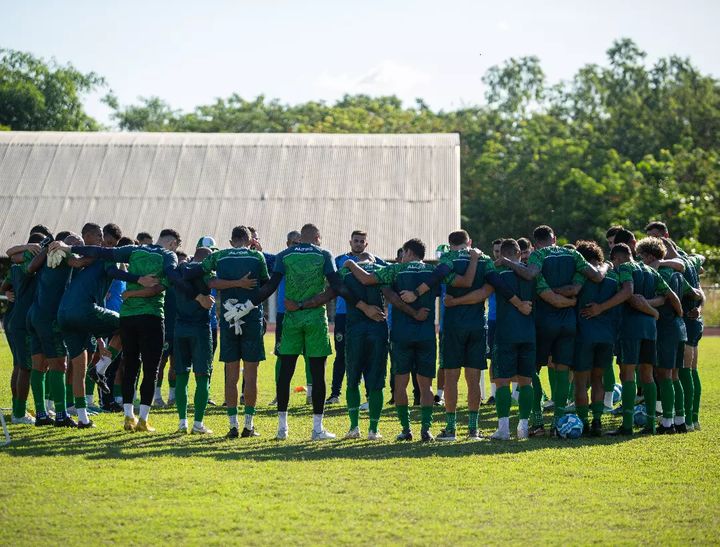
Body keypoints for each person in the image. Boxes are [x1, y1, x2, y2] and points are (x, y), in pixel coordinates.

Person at [50, 229, 210, 432]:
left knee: (130, 367)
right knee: (150, 370)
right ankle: (142, 420)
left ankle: (122, 416)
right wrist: (196, 296)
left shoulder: (133, 250)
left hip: (121, 316)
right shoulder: (168, 255)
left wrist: (69, 247)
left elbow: (99, 253)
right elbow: (170, 279)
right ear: (172, 244)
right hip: (151, 317)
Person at [346, 238, 472, 442]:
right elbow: (461, 282)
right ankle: (426, 429)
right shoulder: (433, 271)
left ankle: (406, 429)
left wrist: (351, 263)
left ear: (409, 253)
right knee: (426, 386)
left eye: (403, 253)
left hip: (401, 335)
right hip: (426, 335)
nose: (401, 257)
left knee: (401, 384)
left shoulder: (397, 270)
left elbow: (367, 279)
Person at [496, 225, 604, 435]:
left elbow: (530, 274)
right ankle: (558, 420)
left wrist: (507, 260)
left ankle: (537, 420)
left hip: (543, 321)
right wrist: (571, 298)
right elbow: (596, 277)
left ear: (535, 243)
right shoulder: (572, 253)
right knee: (563, 370)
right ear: (555, 237)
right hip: (568, 323)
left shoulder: (539, 255)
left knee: (531, 371)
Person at [433, 230, 531, 441]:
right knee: (474, 379)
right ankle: (473, 429)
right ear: (470, 241)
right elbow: (489, 290)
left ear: (450, 245)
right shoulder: (485, 259)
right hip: (478, 324)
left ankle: (451, 429)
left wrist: (456, 302)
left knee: (451, 378)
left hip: (452, 326)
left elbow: (440, 282)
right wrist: (519, 303)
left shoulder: (448, 258)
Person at [197, 226, 268, 438]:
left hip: (227, 316)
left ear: (230, 240)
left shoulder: (219, 256)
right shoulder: (257, 257)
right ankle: (249, 425)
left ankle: (232, 425)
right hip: (252, 316)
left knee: (231, 373)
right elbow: (265, 284)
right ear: (249, 240)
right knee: (251, 373)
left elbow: (207, 279)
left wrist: (230, 284)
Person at [607, 229, 677, 435]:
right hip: (650, 330)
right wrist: (653, 309)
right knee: (647, 375)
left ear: (616, 258)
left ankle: (627, 425)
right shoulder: (650, 271)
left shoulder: (624, 268)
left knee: (627, 374)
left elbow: (628, 294)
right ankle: (650, 425)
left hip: (630, 328)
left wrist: (602, 307)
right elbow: (666, 296)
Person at [635, 237, 701, 434]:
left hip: (665, 327)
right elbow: (695, 293)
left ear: (648, 256)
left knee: (664, 375)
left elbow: (664, 298)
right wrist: (696, 308)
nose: (640, 260)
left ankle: (667, 423)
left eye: (641, 256)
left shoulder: (658, 273)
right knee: (674, 375)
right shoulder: (677, 274)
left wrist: (642, 302)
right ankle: (679, 421)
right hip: (679, 328)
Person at [326, 230, 387, 405]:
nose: (359, 243)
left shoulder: (375, 261)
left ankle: (368, 395)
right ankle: (335, 394)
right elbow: (333, 282)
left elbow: (389, 274)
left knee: (368, 355)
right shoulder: (340, 260)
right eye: (356, 240)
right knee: (341, 354)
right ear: (350, 242)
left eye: (362, 241)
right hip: (344, 314)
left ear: (366, 244)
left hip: (368, 315)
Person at [573, 241, 627, 436]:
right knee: (598, 379)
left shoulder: (580, 276)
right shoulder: (613, 277)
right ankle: (597, 421)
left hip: (583, 334)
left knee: (580, 382)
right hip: (606, 335)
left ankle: (582, 422)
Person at [173, 247, 216, 434]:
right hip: (200, 329)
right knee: (202, 377)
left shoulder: (179, 271)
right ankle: (198, 424)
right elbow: (217, 282)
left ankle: (182, 422)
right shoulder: (207, 272)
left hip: (180, 327)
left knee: (182, 376)